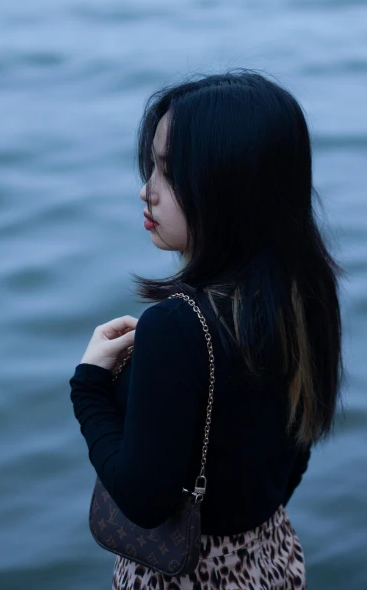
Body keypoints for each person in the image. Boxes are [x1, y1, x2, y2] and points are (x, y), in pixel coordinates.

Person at [69, 69, 345, 589]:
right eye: (150, 166)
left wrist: (88, 387)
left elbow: (143, 500)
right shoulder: (305, 295)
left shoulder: (177, 328)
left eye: (168, 172)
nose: (146, 190)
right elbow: (294, 452)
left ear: (229, 186)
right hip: (272, 562)